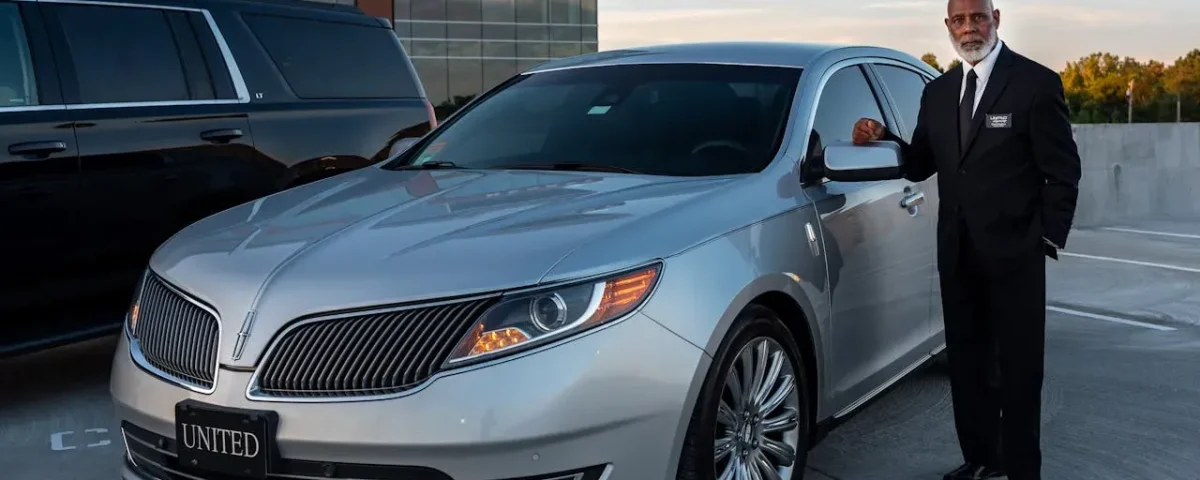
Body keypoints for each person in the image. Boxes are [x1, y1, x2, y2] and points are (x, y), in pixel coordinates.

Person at [850, 0, 1081, 479]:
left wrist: (1046, 238)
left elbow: (1062, 171)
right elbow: (920, 164)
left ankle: (1021, 469)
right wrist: (882, 136)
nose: (969, 28)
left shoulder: (1035, 83)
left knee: (1019, 370)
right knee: (969, 366)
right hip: (956, 253)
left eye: (978, 17)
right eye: (959, 20)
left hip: (1016, 255)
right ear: (948, 26)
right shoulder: (938, 92)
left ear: (996, 19)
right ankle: (981, 460)